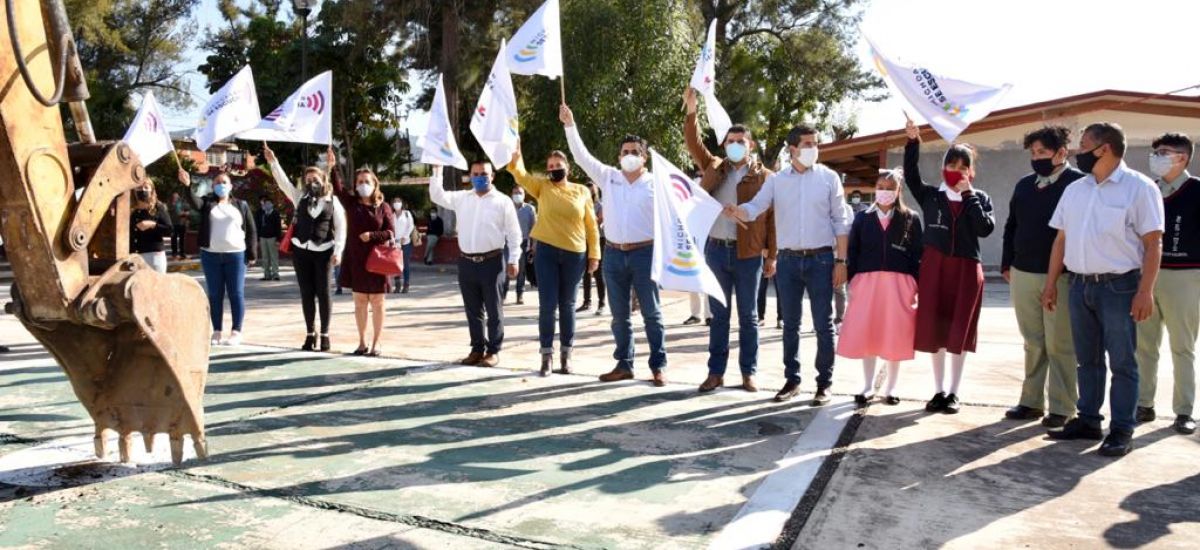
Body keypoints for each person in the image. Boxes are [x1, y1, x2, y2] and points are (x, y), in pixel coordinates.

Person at [1043, 121, 1164, 457]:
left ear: (1104, 148)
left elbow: (1153, 244)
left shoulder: (1139, 188)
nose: (1079, 152)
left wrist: (1146, 291)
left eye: (1084, 145)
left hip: (1120, 287)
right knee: (1088, 360)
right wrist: (1051, 284)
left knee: (1123, 361)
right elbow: (1061, 239)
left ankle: (1122, 429)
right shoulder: (1076, 190)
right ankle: (1088, 420)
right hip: (1079, 285)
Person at [728, 124, 850, 404]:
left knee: (824, 324)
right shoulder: (777, 180)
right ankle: (792, 380)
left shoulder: (829, 178)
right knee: (790, 324)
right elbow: (756, 206)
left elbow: (841, 220)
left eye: (815, 143)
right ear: (792, 148)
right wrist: (739, 210)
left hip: (821, 258)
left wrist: (841, 260)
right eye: (807, 144)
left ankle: (824, 384)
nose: (813, 149)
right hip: (788, 260)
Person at [563, 103, 668, 386]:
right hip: (613, 254)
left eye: (635, 152)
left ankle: (658, 365)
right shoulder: (608, 177)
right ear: (618, 156)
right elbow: (581, 156)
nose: (630, 156)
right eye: (625, 152)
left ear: (645, 158)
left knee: (652, 314)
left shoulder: (657, 184)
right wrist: (570, 125)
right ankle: (624, 363)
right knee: (619, 316)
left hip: (645, 253)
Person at [684, 87, 776, 393]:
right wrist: (691, 110)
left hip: (748, 254)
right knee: (718, 315)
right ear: (724, 144)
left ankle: (748, 372)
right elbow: (693, 143)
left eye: (741, 141)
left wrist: (771, 255)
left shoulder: (766, 177)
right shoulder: (714, 167)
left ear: (750, 145)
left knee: (748, 317)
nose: (735, 145)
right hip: (716, 251)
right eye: (731, 141)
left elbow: (772, 218)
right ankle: (715, 372)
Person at [902, 116, 996, 414]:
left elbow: (984, 228)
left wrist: (968, 195)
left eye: (962, 167)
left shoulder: (979, 198)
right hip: (934, 267)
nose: (955, 172)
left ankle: (954, 392)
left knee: (959, 331)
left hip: (967, 270)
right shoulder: (931, 196)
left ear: (971, 171)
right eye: (951, 166)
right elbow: (911, 174)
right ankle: (939, 389)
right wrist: (913, 142)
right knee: (936, 330)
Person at [1001, 126, 1085, 428]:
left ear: (1062, 153)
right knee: (1033, 341)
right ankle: (1031, 401)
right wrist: (1007, 263)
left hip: (1061, 276)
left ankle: (1063, 407)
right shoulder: (1024, 185)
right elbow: (1012, 224)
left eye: (1042, 152)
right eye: (1032, 153)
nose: (1036, 158)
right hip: (1022, 272)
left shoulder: (1079, 185)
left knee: (1060, 343)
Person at [508, 146, 601, 376]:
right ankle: (546, 356)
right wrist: (516, 156)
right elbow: (521, 175)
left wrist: (594, 255)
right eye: (550, 167)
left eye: (558, 166)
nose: (554, 170)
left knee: (568, 305)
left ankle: (566, 356)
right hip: (546, 253)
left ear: (567, 169)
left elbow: (591, 226)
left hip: (575, 254)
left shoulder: (581, 191)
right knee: (547, 305)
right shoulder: (543, 187)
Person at [838, 169, 923, 405]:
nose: (884, 192)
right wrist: (853, 278)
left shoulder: (910, 218)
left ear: (898, 191)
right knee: (869, 333)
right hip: (867, 282)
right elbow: (853, 250)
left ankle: (892, 387)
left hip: (900, 284)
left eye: (889, 188)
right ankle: (867, 385)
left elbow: (918, 254)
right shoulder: (863, 217)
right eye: (880, 187)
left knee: (894, 334)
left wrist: (916, 283)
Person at [1135, 132, 1199, 435]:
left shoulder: (1196, 190)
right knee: (1145, 345)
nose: (1157, 157)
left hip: (1185, 276)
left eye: (1163, 152)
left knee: (1182, 347)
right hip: (1148, 276)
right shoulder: (1150, 190)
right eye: (1155, 151)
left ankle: (1184, 411)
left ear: (1182, 157)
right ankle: (1144, 404)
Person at [429, 161, 521, 368]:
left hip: (493, 262)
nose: (480, 177)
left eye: (484, 174)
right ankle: (477, 349)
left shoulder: (503, 201)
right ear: (470, 176)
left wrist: (514, 259)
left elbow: (515, 234)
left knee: (494, 310)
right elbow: (437, 195)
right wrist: (437, 169)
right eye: (476, 174)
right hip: (467, 262)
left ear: (493, 176)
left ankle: (494, 351)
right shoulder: (462, 198)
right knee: (473, 310)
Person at [264, 144, 347, 352]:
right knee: (306, 293)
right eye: (308, 179)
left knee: (324, 292)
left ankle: (325, 334)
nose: (312, 182)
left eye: (315, 179)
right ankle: (310, 333)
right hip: (301, 251)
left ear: (323, 180)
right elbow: (282, 182)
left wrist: (338, 251)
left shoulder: (332, 201)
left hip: (324, 252)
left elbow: (341, 227)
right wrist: (273, 161)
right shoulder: (299, 197)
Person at [177, 168, 257, 346]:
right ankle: (217, 331)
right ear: (212, 187)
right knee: (215, 294)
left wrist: (252, 254)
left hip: (235, 256)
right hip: (211, 255)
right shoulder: (207, 203)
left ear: (230, 186)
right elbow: (193, 202)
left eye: (224, 182)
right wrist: (187, 185)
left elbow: (251, 231)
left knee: (236, 293)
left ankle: (236, 331)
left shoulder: (241, 205)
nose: (221, 185)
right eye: (217, 183)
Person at [332, 157, 396, 357]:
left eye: (367, 181)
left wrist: (372, 236)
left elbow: (390, 232)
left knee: (377, 301)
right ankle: (362, 342)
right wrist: (333, 166)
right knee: (359, 301)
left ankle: (376, 343)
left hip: (377, 260)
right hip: (356, 260)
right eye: (359, 182)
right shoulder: (352, 203)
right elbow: (338, 189)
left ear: (375, 183)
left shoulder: (383, 207)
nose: (363, 185)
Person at [129, 180, 172, 273]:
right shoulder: (131, 209)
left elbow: (169, 230)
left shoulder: (158, 207)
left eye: (146, 187)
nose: (142, 190)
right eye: (139, 188)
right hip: (134, 256)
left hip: (153, 255)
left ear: (151, 190)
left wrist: (152, 225)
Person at [505, 186, 538, 304]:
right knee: (506, 269)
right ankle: (503, 294)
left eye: (520, 192)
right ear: (511, 194)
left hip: (523, 243)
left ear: (524, 195)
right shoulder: (507, 208)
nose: (517, 194)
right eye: (515, 192)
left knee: (521, 270)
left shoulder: (530, 209)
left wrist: (534, 245)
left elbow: (534, 228)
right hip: (507, 243)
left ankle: (520, 294)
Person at [577, 182, 605, 315]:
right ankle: (586, 302)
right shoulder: (581, 204)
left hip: (599, 240)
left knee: (598, 273)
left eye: (591, 189)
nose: (590, 191)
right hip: (584, 240)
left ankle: (602, 303)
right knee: (586, 273)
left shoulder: (600, 205)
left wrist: (590, 219)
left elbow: (598, 221)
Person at [255, 194, 282, 281]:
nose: (265, 204)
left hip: (272, 237)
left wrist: (278, 239)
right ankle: (267, 275)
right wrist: (258, 239)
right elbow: (257, 226)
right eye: (263, 202)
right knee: (265, 257)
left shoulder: (275, 213)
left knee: (273, 256)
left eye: (267, 202)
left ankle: (275, 274)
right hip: (263, 237)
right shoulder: (260, 212)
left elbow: (278, 227)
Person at [392, 197, 415, 294]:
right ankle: (397, 285)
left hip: (405, 243)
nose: (397, 203)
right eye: (395, 202)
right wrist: (393, 240)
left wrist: (404, 237)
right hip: (394, 243)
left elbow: (411, 226)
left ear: (402, 203)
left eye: (399, 201)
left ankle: (406, 284)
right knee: (395, 265)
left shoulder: (407, 214)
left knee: (405, 264)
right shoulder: (391, 215)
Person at [169, 192, 190, 260]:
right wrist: (185, 213)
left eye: (177, 197)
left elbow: (188, 211)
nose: (176, 198)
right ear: (172, 198)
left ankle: (182, 254)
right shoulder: (170, 205)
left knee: (182, 240)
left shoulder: (181, 204)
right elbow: (178, 213)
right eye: (175, 197)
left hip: (182, 224)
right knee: (174, 239)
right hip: (174, 224)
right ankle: (174, 254)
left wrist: (186, 213)